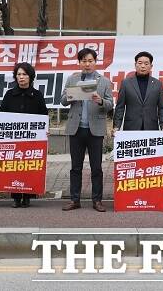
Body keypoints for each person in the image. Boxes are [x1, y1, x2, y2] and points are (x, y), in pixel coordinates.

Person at [60, 48, 114, 212]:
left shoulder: (103, 81)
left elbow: (110, 105)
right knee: (75, 167)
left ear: (95, 62)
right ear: (79, 63)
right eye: (84, 61)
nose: (87, 64)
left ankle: (97, 200)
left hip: (95, 129)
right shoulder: (72, 79)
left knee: (96, 167)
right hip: (76, 129)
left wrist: (100, 101)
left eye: (90, 61)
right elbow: (62, 101)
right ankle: (74, 199)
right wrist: (73, 95)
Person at [0, 62, 48, 208]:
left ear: (30, 77)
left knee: (29, 165)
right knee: (15, 165)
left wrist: (45, 129)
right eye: (18, 74)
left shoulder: (37, 95)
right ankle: (16, 197)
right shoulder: (9, 94)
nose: (21, 77)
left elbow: (44, 115)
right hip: (13, 138)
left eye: (24, 74)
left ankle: (27, 196)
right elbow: (2, 114)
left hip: (32, 138)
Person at [113, 51, 163, 133]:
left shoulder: (157, 84)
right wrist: (116, 126)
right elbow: (120, 107)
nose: (143, 66)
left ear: (151, 66)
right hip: (131, 127)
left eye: (146, 64)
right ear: (135, 65)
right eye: (140, 63)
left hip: (151, 127)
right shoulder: (126, 83)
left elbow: (162, 108)